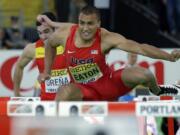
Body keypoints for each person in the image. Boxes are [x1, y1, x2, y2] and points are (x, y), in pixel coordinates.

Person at [38, 6, 180, 101]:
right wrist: (46, 71)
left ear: (98, 23)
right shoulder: (65, 35)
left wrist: (168, 57)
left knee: (145, 74)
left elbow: (140, 48)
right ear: (78, 22)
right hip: (82, 89)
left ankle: (157, 91)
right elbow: (50, 45)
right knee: (64, 91)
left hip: (108, 85)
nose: (85, 28)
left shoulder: (107, 38)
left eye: (90, 23)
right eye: (82, 23)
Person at [13, 12, 71, 100]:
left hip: (69, 100)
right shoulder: (32, 49)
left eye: (46, 31)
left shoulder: (68, 43)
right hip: (46, 102)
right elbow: (19, 66)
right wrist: (16, 94)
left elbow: (78, 28)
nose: (43, 37)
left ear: (55, 29)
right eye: (39, 33)